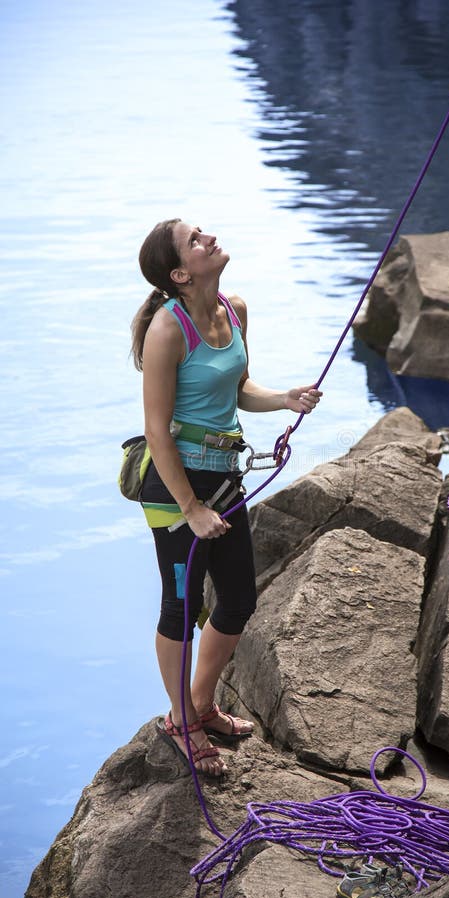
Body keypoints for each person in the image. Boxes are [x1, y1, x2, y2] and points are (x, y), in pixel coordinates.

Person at [131, 218, 322, 777]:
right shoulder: (167, 331)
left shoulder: (234, 310)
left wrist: (286, 398)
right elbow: (157, 431)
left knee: (238, 600)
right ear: (180, 273)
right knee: (182, 606)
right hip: (175, 488)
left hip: (224, 476)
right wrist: (191, 509)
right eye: (195, 240)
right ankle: (181, 723)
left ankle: (201, 703)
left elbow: (238, 389)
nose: (209, 238)